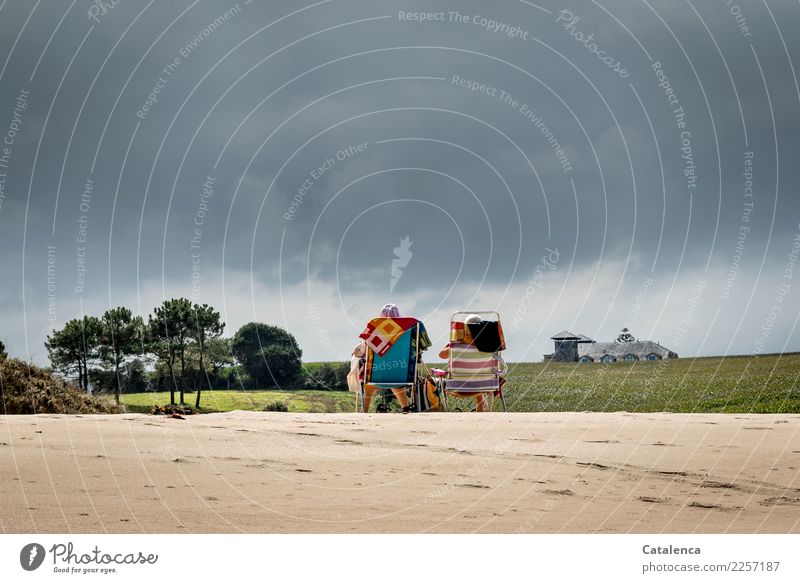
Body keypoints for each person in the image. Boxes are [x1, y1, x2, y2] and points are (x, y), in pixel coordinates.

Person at [352, 304, 414, 413]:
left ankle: (364, 411)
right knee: (396, 380)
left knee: (369, 382)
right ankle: (405, 408)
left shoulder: (375, 333)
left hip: (376, 375)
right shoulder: (406, 333)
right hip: (399, 375)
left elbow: (360, 353)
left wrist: (357, 351)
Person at [438, 314, 492, 412]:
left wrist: (452, 343)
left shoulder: (455, 345)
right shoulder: (489, 345)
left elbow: (441, 355)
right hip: (484, 385)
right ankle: (481, 412)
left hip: (458, 386)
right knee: (479, 389)